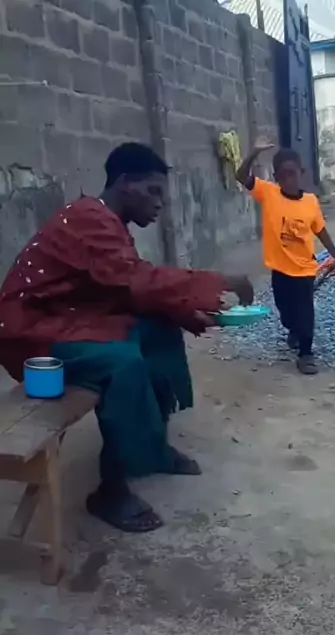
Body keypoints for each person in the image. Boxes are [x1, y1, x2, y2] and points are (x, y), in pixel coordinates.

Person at [0, 142, 254, 533]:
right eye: (152, 191)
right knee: (123, 364)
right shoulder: (89, 218)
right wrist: (219, 281)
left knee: (159, 327)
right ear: (124, 183)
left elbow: (125, 287)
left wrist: (189, 310)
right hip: (32, 333)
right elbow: (138, 281)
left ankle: (154, 446)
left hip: (71, 317)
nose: (159, 203)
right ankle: (111, 490)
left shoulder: (106, 221)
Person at [236, 142, 335, 375]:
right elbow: (241, 176)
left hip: (305, 269)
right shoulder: (268, 193)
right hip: (280, 269)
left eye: (292, 173)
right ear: (276, 177)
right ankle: (294, 330)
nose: (288, 179)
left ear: (301, 173)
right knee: (285, 311)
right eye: (283, 175)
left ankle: (306, 353)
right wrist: (254, 152)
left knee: (305, 311)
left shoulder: (310, 202)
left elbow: (320, 230)